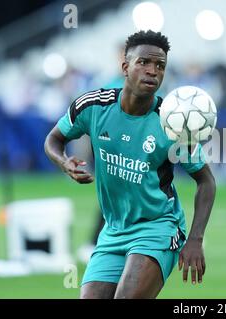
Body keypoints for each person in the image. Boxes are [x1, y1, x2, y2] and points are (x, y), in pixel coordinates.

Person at [44, 30, 216, 299]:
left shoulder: (172, 122)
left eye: (160, 66)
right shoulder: (93, 106)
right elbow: (54, 139)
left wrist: (195, 239)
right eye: (144, 63)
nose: (152, 71)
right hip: (113, 230)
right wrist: (64, 162)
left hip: (158, 227)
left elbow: (206, 180)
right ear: (125, 66)